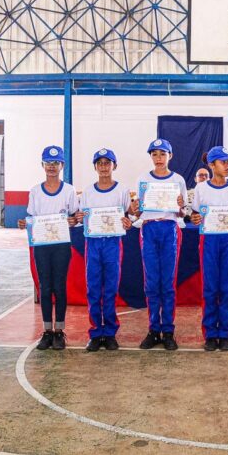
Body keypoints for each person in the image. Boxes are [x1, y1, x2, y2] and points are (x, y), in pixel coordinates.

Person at [18, 146, 78, 351]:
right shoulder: (35, 191)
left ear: (62, 165)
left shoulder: (69, 190)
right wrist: (24, 223)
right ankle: (46, 331)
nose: (52, 167)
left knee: (59, 287)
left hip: (61, 245)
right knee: (44, 287)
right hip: (42, 246)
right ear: (42, 165)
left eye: (56, 163)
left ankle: (59, 331)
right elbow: (31, 217)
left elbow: (75, 217)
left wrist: (73, 220)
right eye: (48, 163)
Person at [75, 148, 133, 352]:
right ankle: (95, 332)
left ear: (114, 166)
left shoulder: (122, 190)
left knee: (110, 288)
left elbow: (130, 215)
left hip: (112, 243)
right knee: (93, 288)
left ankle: (109, 332)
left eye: (107, 163)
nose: (103, 167)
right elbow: (80, 216)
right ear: (95, 167)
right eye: (99, 163)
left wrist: (128, 221)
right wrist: (80, 218)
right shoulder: (88, 192)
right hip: (93, 243)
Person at [190, 146, 228, 352]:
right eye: (224, 162)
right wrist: (195, 218)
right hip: (209, 241)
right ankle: (210, 333)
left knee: (226, 288)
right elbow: (196, 215)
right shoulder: (201, 189)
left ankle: (224, 332)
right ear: (212, 165)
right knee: (210, 288)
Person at [137, 138, 188, 351]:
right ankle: (152, 329)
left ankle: (167, 330)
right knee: (151, 283)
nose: (159, 158)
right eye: (155, 154)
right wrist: (134, 208)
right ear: (150, 157)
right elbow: (139, 211)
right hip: (149, 229)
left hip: (169, 229)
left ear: (170, 156)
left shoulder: (178, 180)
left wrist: (180, 207)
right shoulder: (143, 179)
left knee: (167, 283)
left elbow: (183, 212)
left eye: (163, 154)